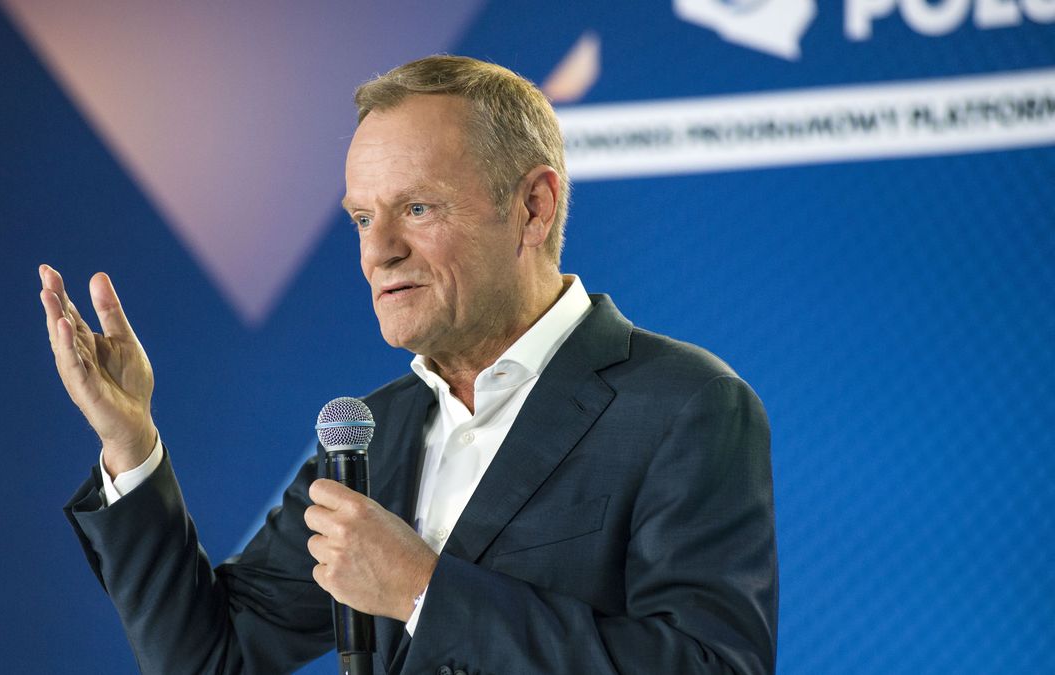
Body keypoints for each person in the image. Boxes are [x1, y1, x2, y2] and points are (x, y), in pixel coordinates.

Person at [39, 55, 777, 674]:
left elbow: (713, 663)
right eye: (362, 217)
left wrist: (424, 589)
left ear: (532, 207)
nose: (376, 250)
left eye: (417, 208)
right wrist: (130, 444)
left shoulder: (684, 404)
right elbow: (211, 657)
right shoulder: (369, 434)